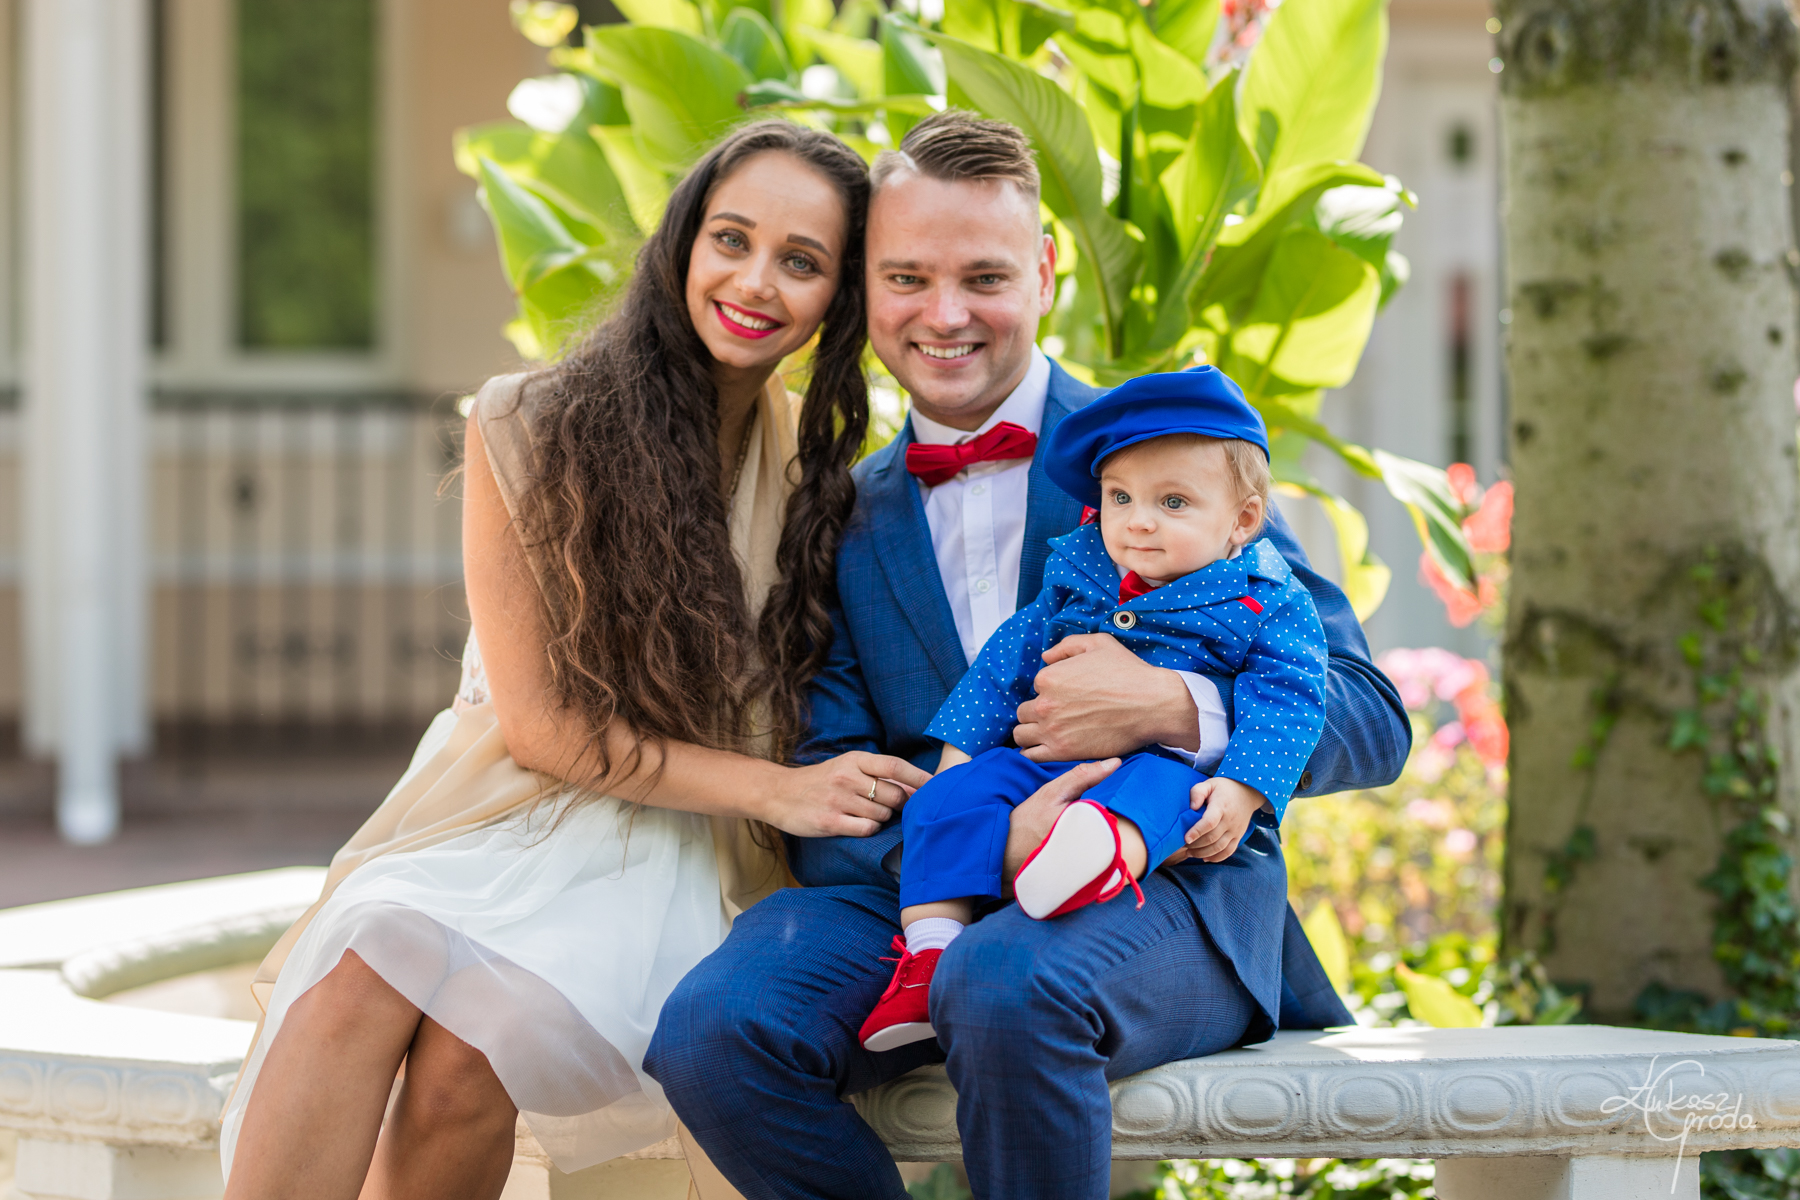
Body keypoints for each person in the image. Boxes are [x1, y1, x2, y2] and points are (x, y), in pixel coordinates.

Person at [645, 111, 1411, 1200]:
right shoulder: (840, 511)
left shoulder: (1175, 456)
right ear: (866, 288)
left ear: (1047, 271)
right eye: (907, 278)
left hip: (1166, 884)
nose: (945, 314)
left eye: (985, 277)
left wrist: (1174, 707)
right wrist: (987, 848)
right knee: (712, 1032)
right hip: (918, 889)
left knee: (1006, 986)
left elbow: (1371, 715)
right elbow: (832, 764)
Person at [218, 121, 930, 1200]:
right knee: (359, 962)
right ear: (684, 241)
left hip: (676, 841)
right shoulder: (532, 420)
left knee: (465, 1059)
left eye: (801, 261)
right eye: (731, 239)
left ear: (838, 297)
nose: (754, 281)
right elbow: (544, 731)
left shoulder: (824, 478)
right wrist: (782, 792)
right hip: (508, 802)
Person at [858, 365, 1330, 1052]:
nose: (1138, 520)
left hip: (1166, 770)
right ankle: (929, 952)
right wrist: (956, 764)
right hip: (1042, 763)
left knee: (1157, 792)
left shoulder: (1265, 595)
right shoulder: (1077, 574)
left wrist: (1244, 786)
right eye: (1120, 497)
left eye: (1173, 503)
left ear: (1244, 520)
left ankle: (1095, 862)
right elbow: (1004, 664)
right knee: (941, 801)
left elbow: (1293, 697)